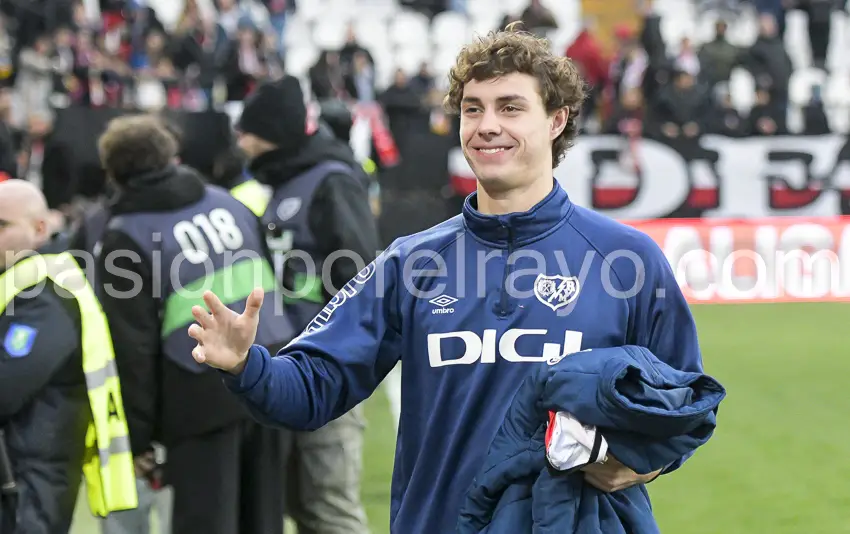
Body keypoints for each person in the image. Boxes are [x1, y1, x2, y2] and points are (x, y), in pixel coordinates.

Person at [190, 26, 706, 533]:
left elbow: (684, 402)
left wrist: (645, 463)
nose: (486, 125)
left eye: (510, 107)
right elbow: (312, 388)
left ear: (556, 120)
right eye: (472, 108)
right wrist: (245, 365)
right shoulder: (411, 263)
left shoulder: (626, 260)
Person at [93, 115, 295, 534]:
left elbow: (134, 351)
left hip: (198, 392)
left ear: (113, 172)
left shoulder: (125, 235)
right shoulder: (227, 201)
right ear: (170, 155)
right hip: (271, 372)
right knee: (264, 520)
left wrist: (139, 437)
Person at [234, 75, 379, 533]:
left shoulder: (331, 181)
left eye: (247, 131)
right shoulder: (289, 182)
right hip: (288, 366)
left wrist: (343, 362)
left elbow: (361, 280)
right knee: (300, 504)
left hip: (326, 366)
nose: (241, 141)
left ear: (270, 132)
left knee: (328, 505)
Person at [0, 179, 137, 533]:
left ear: (40, 228)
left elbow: (6, 386)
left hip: (27, 478)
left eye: (2, 226)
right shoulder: (21, 280)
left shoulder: (44, 293)